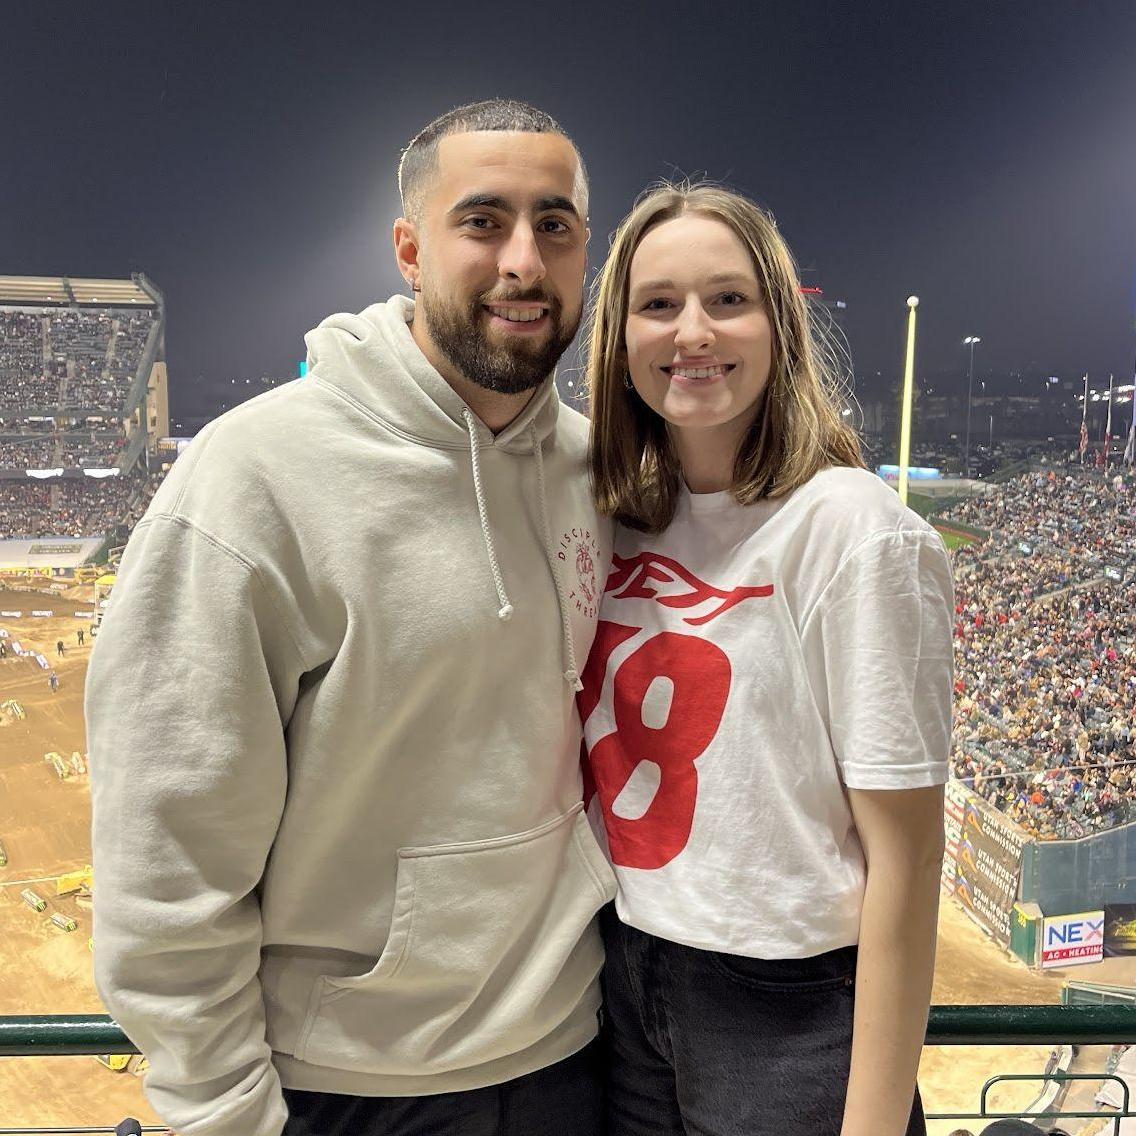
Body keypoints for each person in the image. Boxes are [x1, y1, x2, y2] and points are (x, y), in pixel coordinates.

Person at [86, 99, 614, 1136]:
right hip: (346, 1085)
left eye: (553, 225)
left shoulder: (593, 469)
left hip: (572, 1048)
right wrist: (222, 1109)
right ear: (409, 251)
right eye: (483, 221)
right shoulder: (254, 475)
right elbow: (168, 842)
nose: (523, 259)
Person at [581, 182, 955, 1136]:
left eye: (728, 299)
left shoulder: (854, 529)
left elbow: (908, 860)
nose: (692, 331)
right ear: (620, 337)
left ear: (780, 325)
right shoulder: (616, 520)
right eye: (658, 303)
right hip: (621, 975)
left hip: (785, 1009)